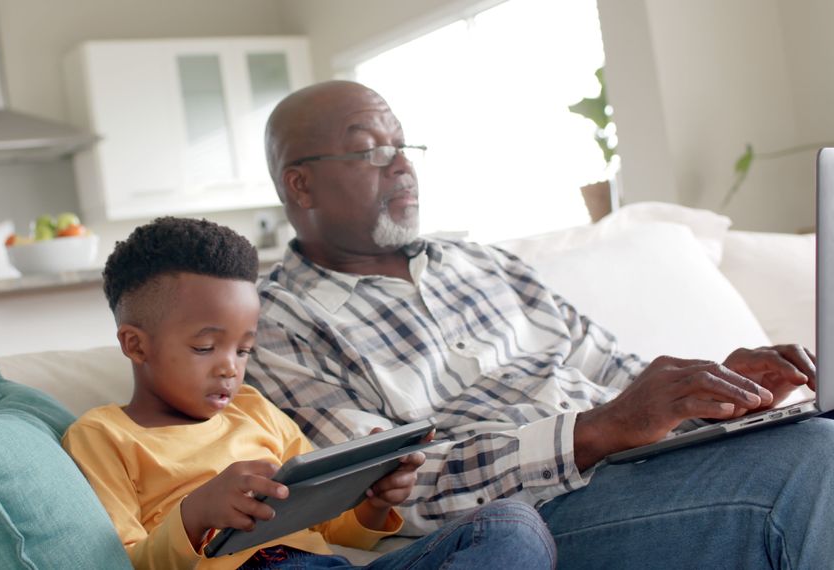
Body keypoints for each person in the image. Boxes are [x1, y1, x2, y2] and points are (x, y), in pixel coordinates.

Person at [245, 80, 834, 569]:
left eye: (404, 146)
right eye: (372, 150)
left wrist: (716, 397)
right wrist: (598, 430)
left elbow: (625, 378)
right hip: (534, 515)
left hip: (645, 465)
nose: (402, 166)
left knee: (810, 435)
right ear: (301, 183)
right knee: (815, 459)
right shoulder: (276, 320)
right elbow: (381, 494)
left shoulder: (488, 264)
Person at [61, 216, 557, 570]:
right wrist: (195, 513)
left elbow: (331, 530)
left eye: (244, 349)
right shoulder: (102, 435)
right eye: (206, 347)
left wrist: (371, 501)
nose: (229, 369)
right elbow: (123, 561)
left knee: (512, 526)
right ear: (135, 345)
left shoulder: (254, 411)